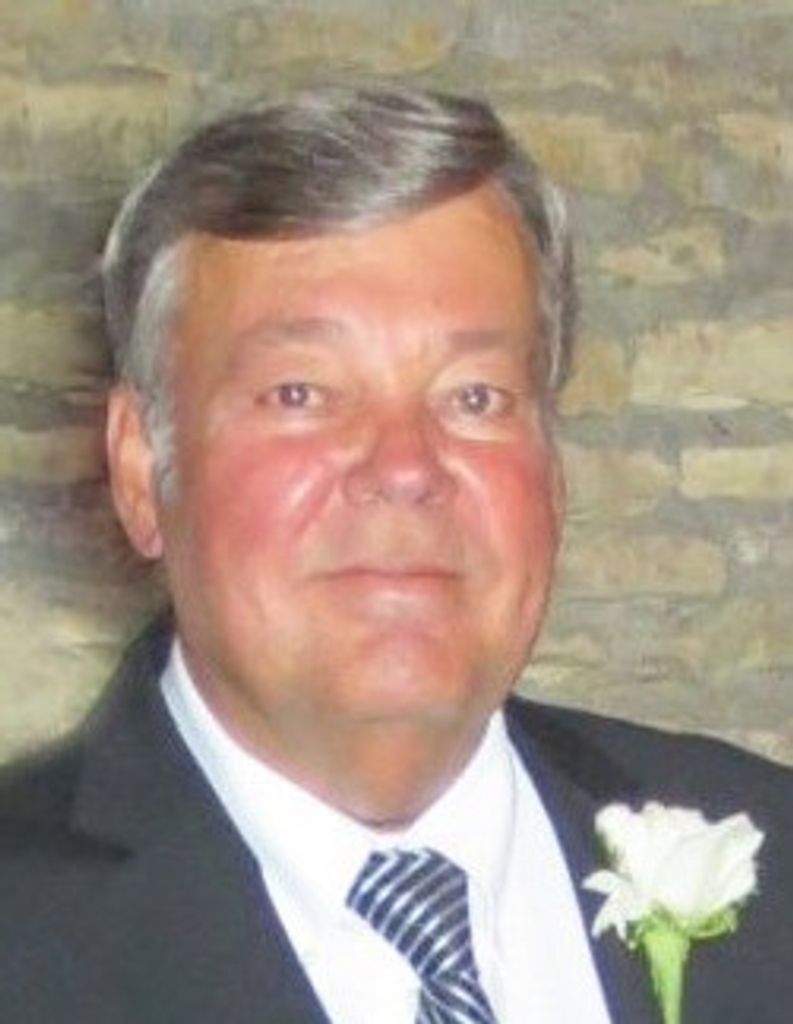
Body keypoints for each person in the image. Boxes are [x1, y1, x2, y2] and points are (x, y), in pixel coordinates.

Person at [0, 83, 790, 1024]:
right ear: (140, 469)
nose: (406, 467)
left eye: (474, 397)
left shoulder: (773, 869)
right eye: (301, 393)